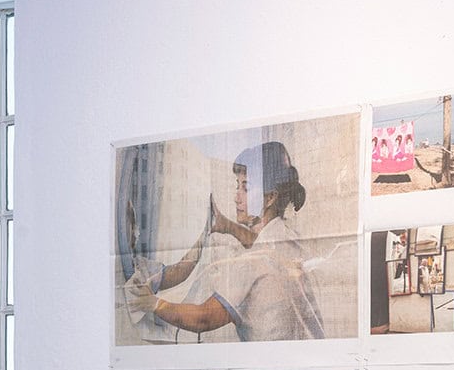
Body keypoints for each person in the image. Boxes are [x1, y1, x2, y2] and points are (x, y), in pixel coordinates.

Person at [125, 141, 324, 342]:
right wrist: (226, 225)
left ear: (270, 197)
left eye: (245, 188)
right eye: (237, 186)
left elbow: (204, 318)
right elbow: (258, 244)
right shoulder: (286, 237)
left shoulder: (252, 262)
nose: (236, 197)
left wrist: (154, 304)